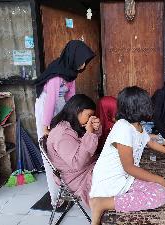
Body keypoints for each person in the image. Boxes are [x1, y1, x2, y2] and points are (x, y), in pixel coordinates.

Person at [89, 86, 165, 225]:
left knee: (159, 189)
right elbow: (128, 167)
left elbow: (149, 142)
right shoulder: (123, 128)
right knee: (160, 194)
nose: (150, 106)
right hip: (112, 179)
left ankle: (105, 202)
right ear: (137, 108)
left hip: (125, 176)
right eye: (147, 103)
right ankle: (102, 203)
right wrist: (158, 179)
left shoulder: (137, 125)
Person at [34, 40, 95, 206]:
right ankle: (55, 196)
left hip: (60, 106)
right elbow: (50, 101)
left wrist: (74, 116)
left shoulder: (70, 73)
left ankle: (71, 178)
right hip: (46, 108)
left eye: (85, 62)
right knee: (49, 148)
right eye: (82, 60)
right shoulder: (56, 74)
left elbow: (71, 98)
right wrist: (45, 126)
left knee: (64, 144)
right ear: (73, 57)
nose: (83, 65)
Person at [46, 94, 101, 207]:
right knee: (113, 175)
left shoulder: (71, 126)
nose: (91, 118)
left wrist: (95, 131)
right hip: (75, 178)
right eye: (89, 115)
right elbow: (77, 162)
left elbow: (86, 146)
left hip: (83, 169)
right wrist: (90, 133)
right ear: (77, 111)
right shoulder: (62, 134)